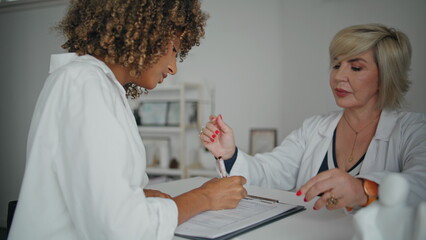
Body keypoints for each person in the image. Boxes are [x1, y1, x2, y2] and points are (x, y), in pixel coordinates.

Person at [8, 0, 247, 239]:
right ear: (148, 32)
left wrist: (140, 196)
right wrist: (204, 197)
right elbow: (119, 228)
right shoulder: (83, 84)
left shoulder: (100, 86)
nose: (173, 68)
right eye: (174, 50)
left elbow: (93, 188)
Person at [200, 23, 426, 212]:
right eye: (336, 65)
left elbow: (421, 183)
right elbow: (272, 171)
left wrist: (363, 189)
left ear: (387, 75)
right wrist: (230, 155)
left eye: (356, 67)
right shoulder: (315, 128)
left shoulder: (413, 130)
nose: (339, 76)